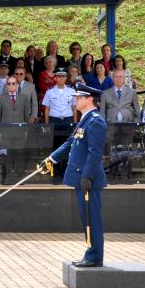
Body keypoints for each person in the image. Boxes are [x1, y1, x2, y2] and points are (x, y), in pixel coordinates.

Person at [41, 83, 107, 267]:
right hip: (82, 177)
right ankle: (91, 254)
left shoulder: (95, 121)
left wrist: (87, 176)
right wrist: (50, 159)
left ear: (90, 99)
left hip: (89, 179)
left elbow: (95, 152)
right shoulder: (85, 120)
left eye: (79, 97)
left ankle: (94, 257)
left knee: (92, 218)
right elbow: (71, 143)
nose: (76, 100)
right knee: (87, 217)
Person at [101, 70, 140, 180]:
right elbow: (102, 112)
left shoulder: (132, 92)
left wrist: (137, 125)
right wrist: (102, 127)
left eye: (121, 77)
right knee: (112, 151)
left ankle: (126, 174)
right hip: (111, 127)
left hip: (128, 126)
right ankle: (112, 174)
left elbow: (137, 110)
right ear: (112, 79)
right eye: (116, 77)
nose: (118, 79)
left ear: (124, 78)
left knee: (127, 150)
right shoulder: (105, 93)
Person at [43, 68, 78, 178]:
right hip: (54, 120)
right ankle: (55, 170)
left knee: (68, 145)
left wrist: (75, 123)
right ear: (55, 78)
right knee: (55, 145)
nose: (61, 78)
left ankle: (65, 170)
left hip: (68, 120)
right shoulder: (49, 92)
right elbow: (47, 109)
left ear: (66, 78)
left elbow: (74, 108)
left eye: (63, 76)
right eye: (59, 76)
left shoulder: (71, 91)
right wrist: (47, 124)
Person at [0, 76, 31, 181]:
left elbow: (26, 117)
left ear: (17, 85)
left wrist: (26, 131)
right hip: (6, 133)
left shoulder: (24, 97)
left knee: (19, 154)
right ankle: (7, 177)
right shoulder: (1, 98)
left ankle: (19, 177)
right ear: (6, 86)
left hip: (20, 132)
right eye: (9, 83)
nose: (11, 85)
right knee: (7, 155)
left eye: (13, 83)